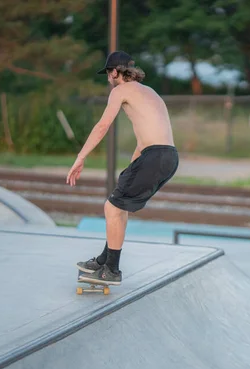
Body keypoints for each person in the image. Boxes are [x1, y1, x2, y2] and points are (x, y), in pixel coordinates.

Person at [66, 51, 179, 285]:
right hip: (168, 156)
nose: (108, 79)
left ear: (115, 72)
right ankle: (104, 260)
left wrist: (80, 157)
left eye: (109, 74)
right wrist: (130, 171)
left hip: (154, 155)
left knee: (111, 208)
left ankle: (112, 271)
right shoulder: (150, 92)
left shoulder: (121, 90)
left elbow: (102, 126)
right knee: (120, 205)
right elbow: (145, 139)